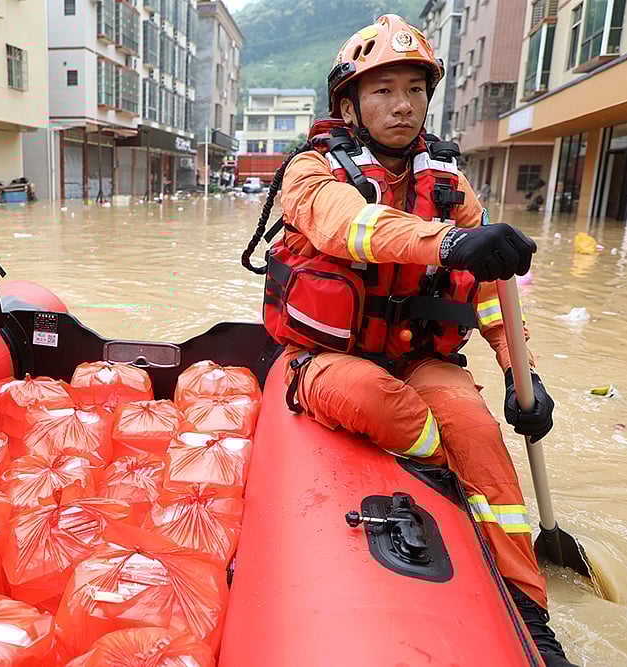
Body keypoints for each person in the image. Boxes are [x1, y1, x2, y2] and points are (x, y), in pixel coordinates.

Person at [243, 15, 574, 667]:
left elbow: (491, 298)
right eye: (383, 89)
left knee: (478, 427)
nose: (402, 105)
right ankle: (443, 481)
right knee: (384, 401)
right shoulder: (312, 174)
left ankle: (529, 610)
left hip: (421, 354)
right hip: (330, 359)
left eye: (415, 90)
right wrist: (450, 242)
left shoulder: (449, 187)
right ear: (349, 104)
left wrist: (522, 377)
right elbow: (349, 229)